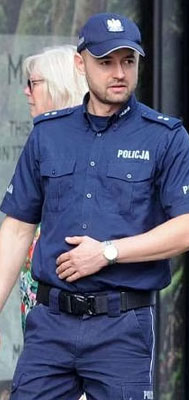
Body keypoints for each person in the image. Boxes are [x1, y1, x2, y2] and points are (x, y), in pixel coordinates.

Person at [0, 12, 189, 399]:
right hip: (50, 324)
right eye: (106, 62)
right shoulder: (48, 134)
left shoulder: (165, 136)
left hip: (122, 325)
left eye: (128, 61)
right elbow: (16, 230)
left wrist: (109, 253)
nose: (119, 72)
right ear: (80, 64)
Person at [19, 45, 89, 331]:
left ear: (60, 86)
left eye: (34, 83)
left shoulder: (89, 148)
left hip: (74, 321)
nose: (26, 92)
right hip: (40, 322)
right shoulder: (43, 144)